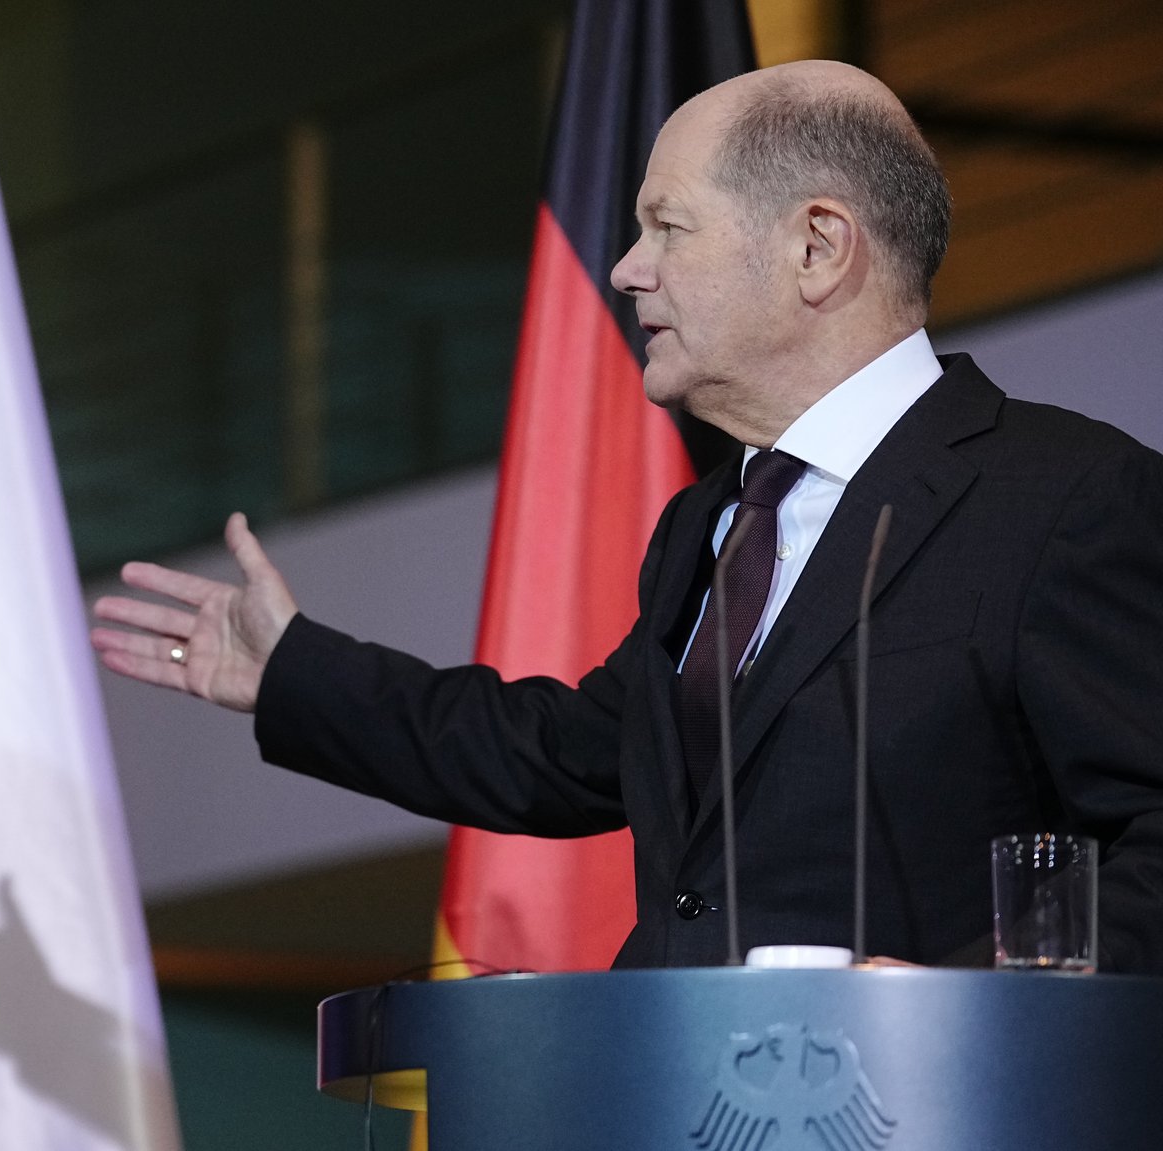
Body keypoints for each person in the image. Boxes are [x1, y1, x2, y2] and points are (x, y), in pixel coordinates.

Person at [92, 59, 1163, 972]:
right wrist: (292, 672)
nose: (625, 268)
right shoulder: (710, 522)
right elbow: (564, 753)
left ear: (816, 247)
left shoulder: (1064, 497)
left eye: (666, 226)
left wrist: (961, 1001)